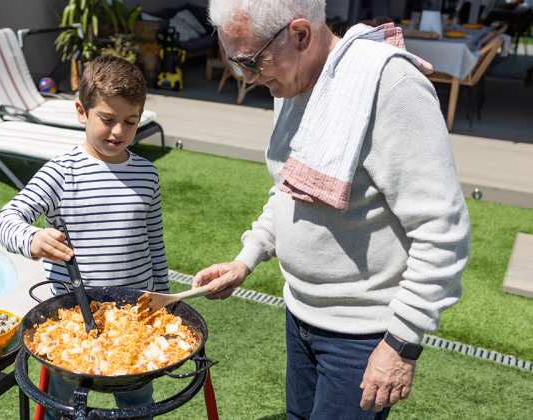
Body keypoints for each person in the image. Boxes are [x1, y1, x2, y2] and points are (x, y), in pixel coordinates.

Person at [193, 0, 471, 419]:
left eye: (250, 61)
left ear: (300, 35)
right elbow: (289, 188)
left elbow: (442, 229)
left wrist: (401, 343)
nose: (247, 77)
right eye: (235, 61)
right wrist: (246, 258)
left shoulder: (390, 86)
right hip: (300, 315)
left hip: (362, 336)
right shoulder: (290, 81)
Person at [0, 55, 169, 419]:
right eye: (107, 119)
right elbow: (6, 219)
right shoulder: (61, 172)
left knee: (136, 402)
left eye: (130, 121)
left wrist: (165, 301)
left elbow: (155, 243)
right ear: (81, 112)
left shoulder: (147, 175)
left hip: (134, 315)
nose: (118, 131)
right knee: (62, 402)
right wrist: (32, 239)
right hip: (72, 317)